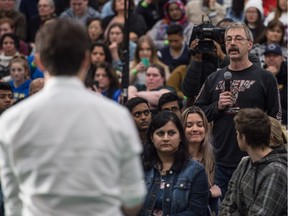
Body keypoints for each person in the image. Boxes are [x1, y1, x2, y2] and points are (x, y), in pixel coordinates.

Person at [0, 19, 146, 216]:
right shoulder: (117, 116)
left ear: (39, 61)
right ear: (86, 59)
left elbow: (13, 204)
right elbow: (133, 198)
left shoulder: (11, 120)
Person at [194, 22, 282, 199]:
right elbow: (196, 113)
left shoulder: (265, 78)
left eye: (238, 38)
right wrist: (217, 107)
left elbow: (276, 118)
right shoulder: (214, 78)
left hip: (255, 160)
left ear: (250, 44)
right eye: (228, 39)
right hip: (221, 160)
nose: (232, 43)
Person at [140, 111, 209, 215]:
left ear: (181, 136)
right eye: (160, 133)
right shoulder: (139, 167)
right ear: (151, 137)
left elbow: (196, 212)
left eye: (171, 133)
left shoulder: (196, 170)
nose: (166, 138)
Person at [219, 108, 287, 215]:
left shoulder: (276, 171)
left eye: (237, 133)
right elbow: (227, 204)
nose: (236, 136)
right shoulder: (245, 163)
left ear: (243, 137)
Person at [181, 106, 222, 215]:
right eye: (189, 125)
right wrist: (208, 193)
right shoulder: (176, 158)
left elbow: (218, 189)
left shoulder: (212, 157)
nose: (195, 129)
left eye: (200, 125)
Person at [263, 43, 287, 126]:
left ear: (282, 58)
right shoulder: (260, 75)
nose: (271, 59)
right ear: (265, 59)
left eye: (275, 56)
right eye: (268, 56)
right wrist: (269, 78)